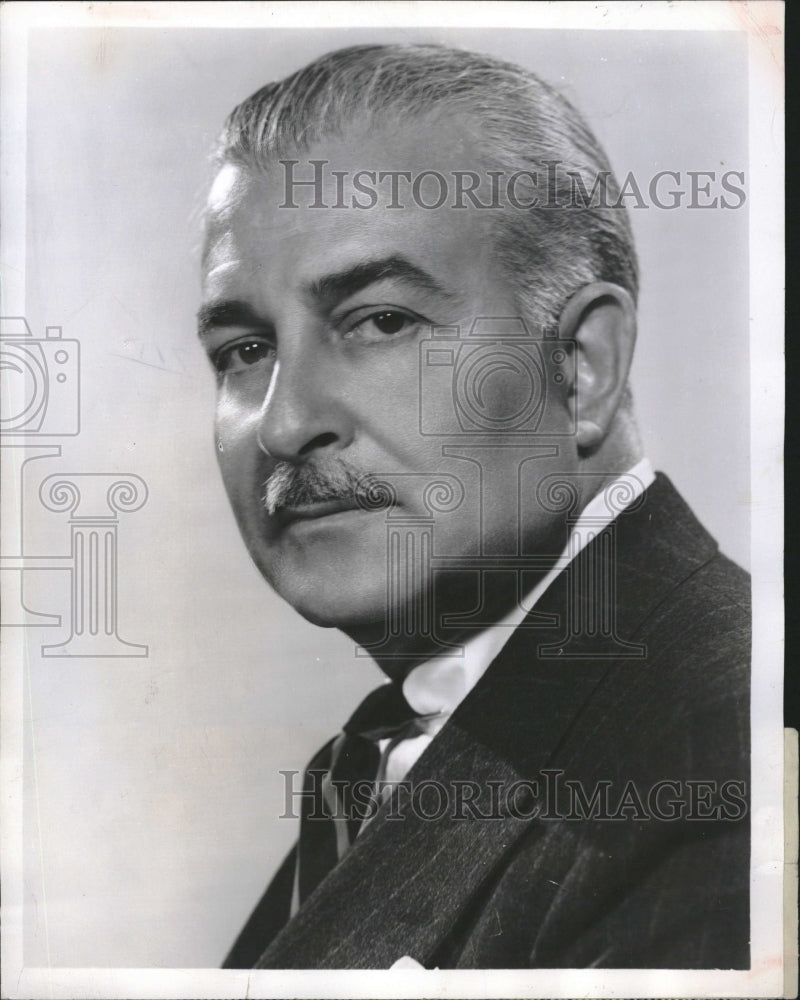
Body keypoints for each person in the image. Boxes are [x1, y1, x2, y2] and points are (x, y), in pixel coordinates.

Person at [197, 44, 750, 970]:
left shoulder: (713, 770)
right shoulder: (410, 743)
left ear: (580, 369)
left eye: (382, 321)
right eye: (247, 350)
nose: (286, 424)